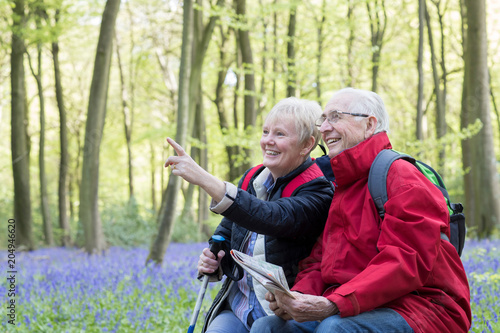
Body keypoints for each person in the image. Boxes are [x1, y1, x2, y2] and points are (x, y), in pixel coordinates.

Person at [250, 88, 471, 333]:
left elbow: (405, 261)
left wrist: (334, 303)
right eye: (323, 119)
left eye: (335, 117)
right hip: (359, 305)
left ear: (369, 124)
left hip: (424, 308)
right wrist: (298, 297)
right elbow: (321, 260)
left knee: (335, 329)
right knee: (268, 327)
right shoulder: (344, 184)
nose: (323, 128)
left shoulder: (403, 178)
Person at [165, 97, 334, 333]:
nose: (268, 141)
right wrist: (216, 262)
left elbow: (270, 217)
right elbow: (228, 231)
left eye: (280, 134)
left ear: (307, 145)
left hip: (279, 316)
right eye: (266, 132)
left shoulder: (318, 190)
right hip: (239, 307)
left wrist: (203, 178)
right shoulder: (252, 178)